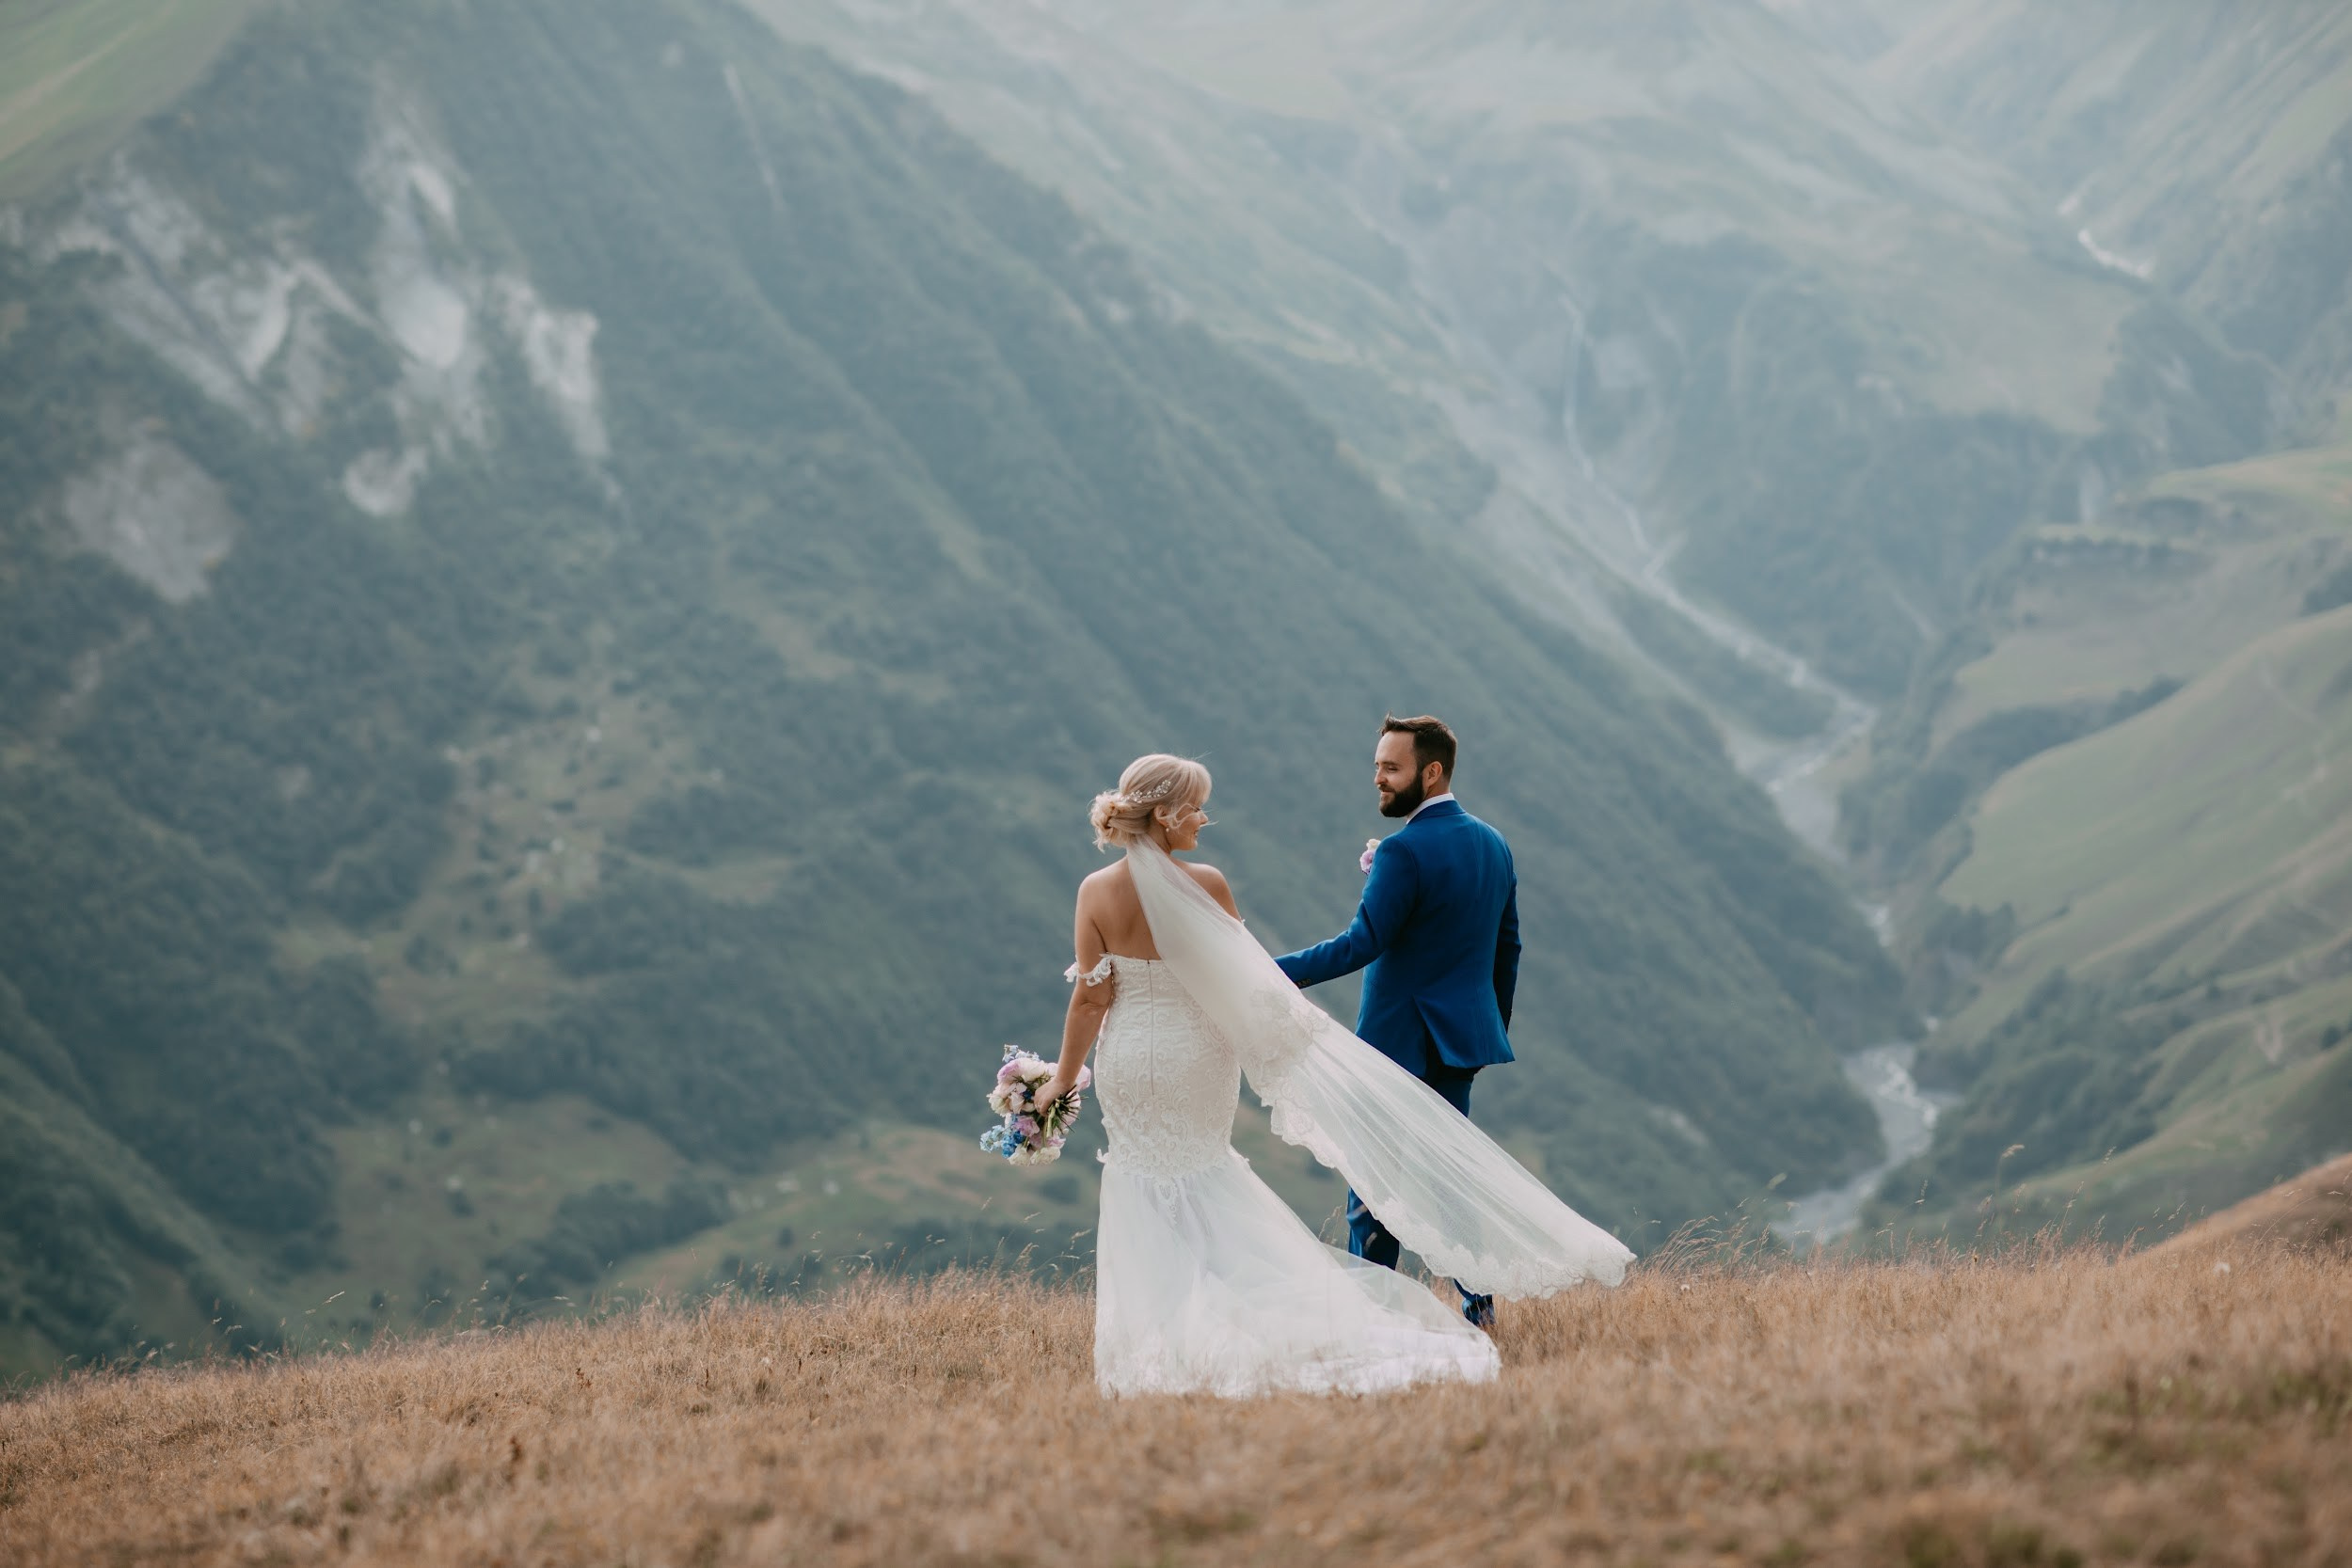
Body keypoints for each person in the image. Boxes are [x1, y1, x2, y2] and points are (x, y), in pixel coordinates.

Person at [1037, 752, 1629, 1399]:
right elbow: (1251, 983)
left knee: (1141, 1182)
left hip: (1127, 1063)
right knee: (1204, 1171)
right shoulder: (1205, 883)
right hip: (1198, 1059)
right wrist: (1298, 1038)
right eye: (1198, 807)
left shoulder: (1093, 891)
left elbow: (1090, 999)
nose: (1205, 819)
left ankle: (1161, 1342)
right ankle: (1222, 1325)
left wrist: (1061, 1083)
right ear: (1166, 814)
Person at [1273, 715, 1516, 1327]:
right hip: (1461, 1044)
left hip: (1394, 1044)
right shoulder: (1494, 843)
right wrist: (1488, 1026)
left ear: (1431, 772)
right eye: (1378, 765)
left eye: (1391, 767)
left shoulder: (1404, 850)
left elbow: (1360, 944)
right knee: (1449, 1183)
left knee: (1373, 1190)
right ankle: (1478, 1306)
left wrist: (1264, 970)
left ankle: (1373, 1316)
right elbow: (1507, 949)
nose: (1378, 778)